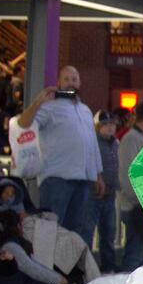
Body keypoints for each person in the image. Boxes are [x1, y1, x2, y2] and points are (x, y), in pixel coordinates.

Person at [15, 65, 104, 237]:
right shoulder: (49, 108)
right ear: (59, 83)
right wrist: (40, 100)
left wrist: (98, 174)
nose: (71, 83)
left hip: (83, 179)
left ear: (79, 83)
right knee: (51, 228)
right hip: (57, 178)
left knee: (74, 231)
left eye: (74, 79)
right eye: (67, 79)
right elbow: (23, 124)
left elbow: (92, 144)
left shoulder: (85, 110)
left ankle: (68, 265)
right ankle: (48, 264)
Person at [117, 99, 143, 270]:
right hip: (137, 207)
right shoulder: (131, 139)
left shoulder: (142, 138)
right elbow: (127, 174)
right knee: (135, 255)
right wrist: (140, 200)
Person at [89, 110, 120, 273]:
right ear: (98, 126)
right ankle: (85, 267)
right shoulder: (93, 142)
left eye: (112, 124)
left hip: (110, 194)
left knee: (109, 233)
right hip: (94, 194)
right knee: (88, 231)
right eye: (105, 124)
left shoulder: (116, 143)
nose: (109, 127)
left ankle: (108, 266)